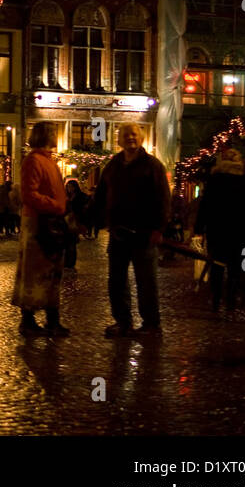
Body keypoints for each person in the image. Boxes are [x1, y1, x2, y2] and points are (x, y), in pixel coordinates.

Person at [95, 124, 171, 338]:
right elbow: (101, 195)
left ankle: (151, 324)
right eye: (126, 135)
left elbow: (163, 199)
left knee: (146, 281)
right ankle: (122, 321)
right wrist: (87, 219)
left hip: (144, 233)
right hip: (119, 233)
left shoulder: (152, 166)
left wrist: (159, 227)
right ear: (119, 140)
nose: (130, 138)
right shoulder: (113, 165)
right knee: (116, 280)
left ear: (142, 138)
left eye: (134, 135)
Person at [12, 123, 71, 337]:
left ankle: (51, 320)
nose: (56, 136)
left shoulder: (48, 161)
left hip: (50, 221)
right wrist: (56, 205)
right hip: (39, 223)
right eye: (54, 132)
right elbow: (30, 194)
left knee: (52, 273)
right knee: (36, 274)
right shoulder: (34, 161)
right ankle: (29, 320)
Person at [197, 150, 245, 324]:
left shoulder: (215, 179)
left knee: (217, 266)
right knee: (236, 267)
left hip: (217, 230)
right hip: (240, 230)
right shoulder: (244, 179)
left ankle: (216, 300)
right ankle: (232, 300)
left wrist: (199, 227)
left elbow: (205, 205)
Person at [62, 178, 86, 269]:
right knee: (67, 242)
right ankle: (67, 261)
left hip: (75, 220)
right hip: (66, 221)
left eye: (70, 187)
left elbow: (82, 208)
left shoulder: (80, 196)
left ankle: (71, 262)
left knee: (72, 242)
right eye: (68, 187)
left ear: (75, 187)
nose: (69, 189)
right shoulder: (66, 196)